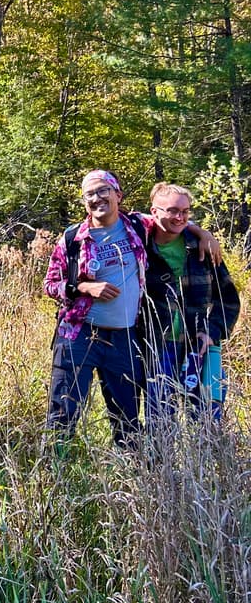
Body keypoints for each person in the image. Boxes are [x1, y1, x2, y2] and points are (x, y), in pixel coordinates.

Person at [44, 169, 219, 449]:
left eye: (103, 191)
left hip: (124, 338)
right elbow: (50, 284)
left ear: (118, 195)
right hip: (78, 335)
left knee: (127, 416)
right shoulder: (72, 238)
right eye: (89, 193)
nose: (97, 198)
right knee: (64, 410)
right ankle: (54, 471)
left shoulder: (138, 226)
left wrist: (203, 233)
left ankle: (132, 477)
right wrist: (83, 288)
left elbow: (172, 218)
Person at [142, 182, 240, 427]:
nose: (180, 217)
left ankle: (209, 465)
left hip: (200, 348)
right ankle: (160, 466)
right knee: (160, 422)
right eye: (173, 211)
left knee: (209, 418)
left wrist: (211, 332)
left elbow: (227, 298)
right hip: (158, 348)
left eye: (185, 212)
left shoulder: (202, 248)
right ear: (154, 212)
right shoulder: (140, 247)